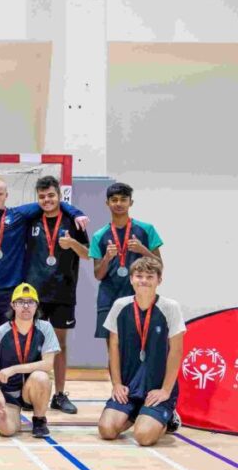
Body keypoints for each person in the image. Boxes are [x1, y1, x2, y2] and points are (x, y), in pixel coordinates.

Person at [0, 177, 87, 408]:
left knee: (10, 344)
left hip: (12, 291)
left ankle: (7, 390)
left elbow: (51, 202)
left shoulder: (19, 215)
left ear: (6, 195)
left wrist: (76, 211)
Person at [98, 256, 183, 446]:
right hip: (129, 387)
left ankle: (168, 417)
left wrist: (165, 390)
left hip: (156, 388)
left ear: (159, 280)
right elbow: (113, 348)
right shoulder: (120, 306)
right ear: (131, 279)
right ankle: (137, 412)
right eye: (139, 276)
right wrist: (117, 384)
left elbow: (176, 351)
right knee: (107, 430)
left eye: (149, 277)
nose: (143, 280)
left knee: (144, 437)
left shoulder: (170, 307)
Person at [24, 175, 89, 415]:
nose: (47, 200)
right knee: (33, 344)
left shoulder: (73, 222)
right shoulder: (30, 219)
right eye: (42, 196)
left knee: (59, 344)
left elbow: (88, 254)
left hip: (63, 291)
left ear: (59, 196)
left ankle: (59, 395)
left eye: (51, 195)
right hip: (34, 293)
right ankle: (31, 393)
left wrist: (72, 244)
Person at [89, 182, 163, 347]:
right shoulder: (99, 235)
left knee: (137, 346)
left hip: (139, 295)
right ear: (107, 203)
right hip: (109, 297)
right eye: (114, 200)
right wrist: (107, 258)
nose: (119, 203)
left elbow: (159, 266)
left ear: (131, 202)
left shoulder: (146, 229)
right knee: (113, 348)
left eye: (123, 199)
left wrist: (143, 250)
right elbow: (98, 275)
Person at [0, 283, 59, 439]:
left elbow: (48, 364)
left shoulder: (45, 328)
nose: (26, 306)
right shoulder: (1, 332)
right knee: (6, 429)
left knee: (41, 376)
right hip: (7, 393)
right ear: (13, 305)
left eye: (30, 302)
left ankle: (39, 420)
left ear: (37, 305)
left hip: (31, 389)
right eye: (20, 302)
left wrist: (14, 369)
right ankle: (11, 416)